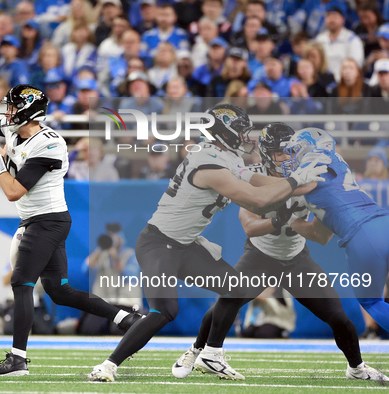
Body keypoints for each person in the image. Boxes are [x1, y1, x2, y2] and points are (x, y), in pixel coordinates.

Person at [0, 84, 143, 376]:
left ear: (30, 111)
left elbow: (13, 191)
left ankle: (17, 359)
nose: (8, 112)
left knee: (21, 283)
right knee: (60, 291)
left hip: (47, 220)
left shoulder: (49, 143)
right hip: (40, 220)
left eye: (14, 107)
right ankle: (126, 318)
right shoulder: (15, 129)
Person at [87, 104, 328, 382]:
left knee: (238, 288)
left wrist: (307, 183)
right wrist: (298, 180)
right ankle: (108, 365)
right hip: (158, 243)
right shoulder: (209, 161)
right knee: (164, 310)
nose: (244, 136)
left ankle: (210, 354)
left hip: (185, 244)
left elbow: (261, 182)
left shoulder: (225, 155)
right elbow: (257, 199)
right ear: (222, 130)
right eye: (239, 130)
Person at [171, 123, 388, 382]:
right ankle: (198, 351)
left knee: (338, 315)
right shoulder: (251, 176)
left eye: (290, 151)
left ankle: (357, 368)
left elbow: (321, 236)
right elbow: (250, 227)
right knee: (228, 297)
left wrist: (306, 218)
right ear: (265, 154)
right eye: (279, 153)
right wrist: (279, 220)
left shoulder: (309, 174)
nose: (287, 158)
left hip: (297, 257)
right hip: (261, 255)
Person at [280, 128, 389, 336]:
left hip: (363, 236)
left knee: (372, 302)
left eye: (295, 151)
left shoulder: (312, 167)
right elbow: (321, 235)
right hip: (384, 223)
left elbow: (282, 190)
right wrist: (290, 220)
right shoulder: (336, 164)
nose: (291, 157)